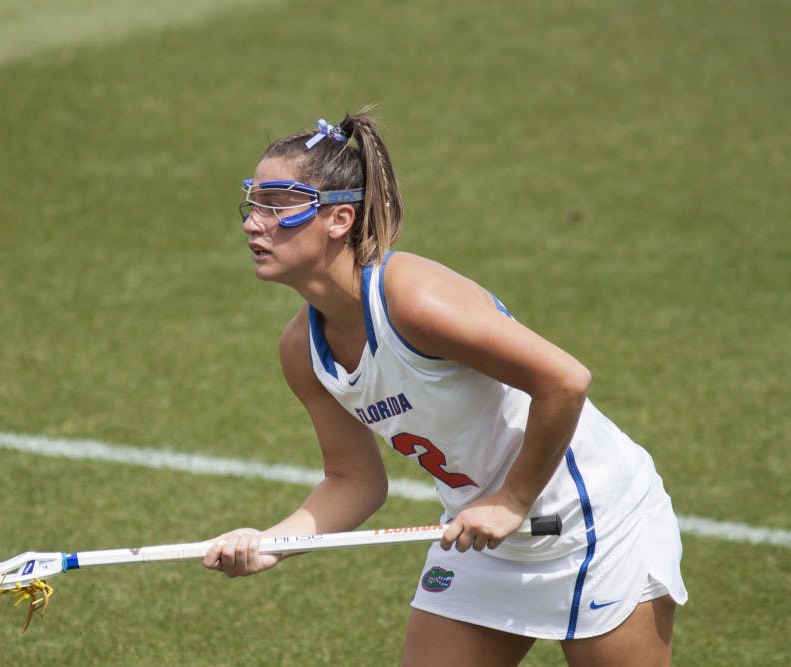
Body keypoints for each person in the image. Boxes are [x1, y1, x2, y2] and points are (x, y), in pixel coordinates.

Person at [203, 106, 687, 666]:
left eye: (278, 205)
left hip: (595, 527)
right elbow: (353, 479)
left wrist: (512, 499)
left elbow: (564, 380)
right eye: (253, 203)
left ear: (338, 219)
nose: (252, 222)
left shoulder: (413, 298)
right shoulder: (302, 351)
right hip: (481, 539)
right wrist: (272, 543)